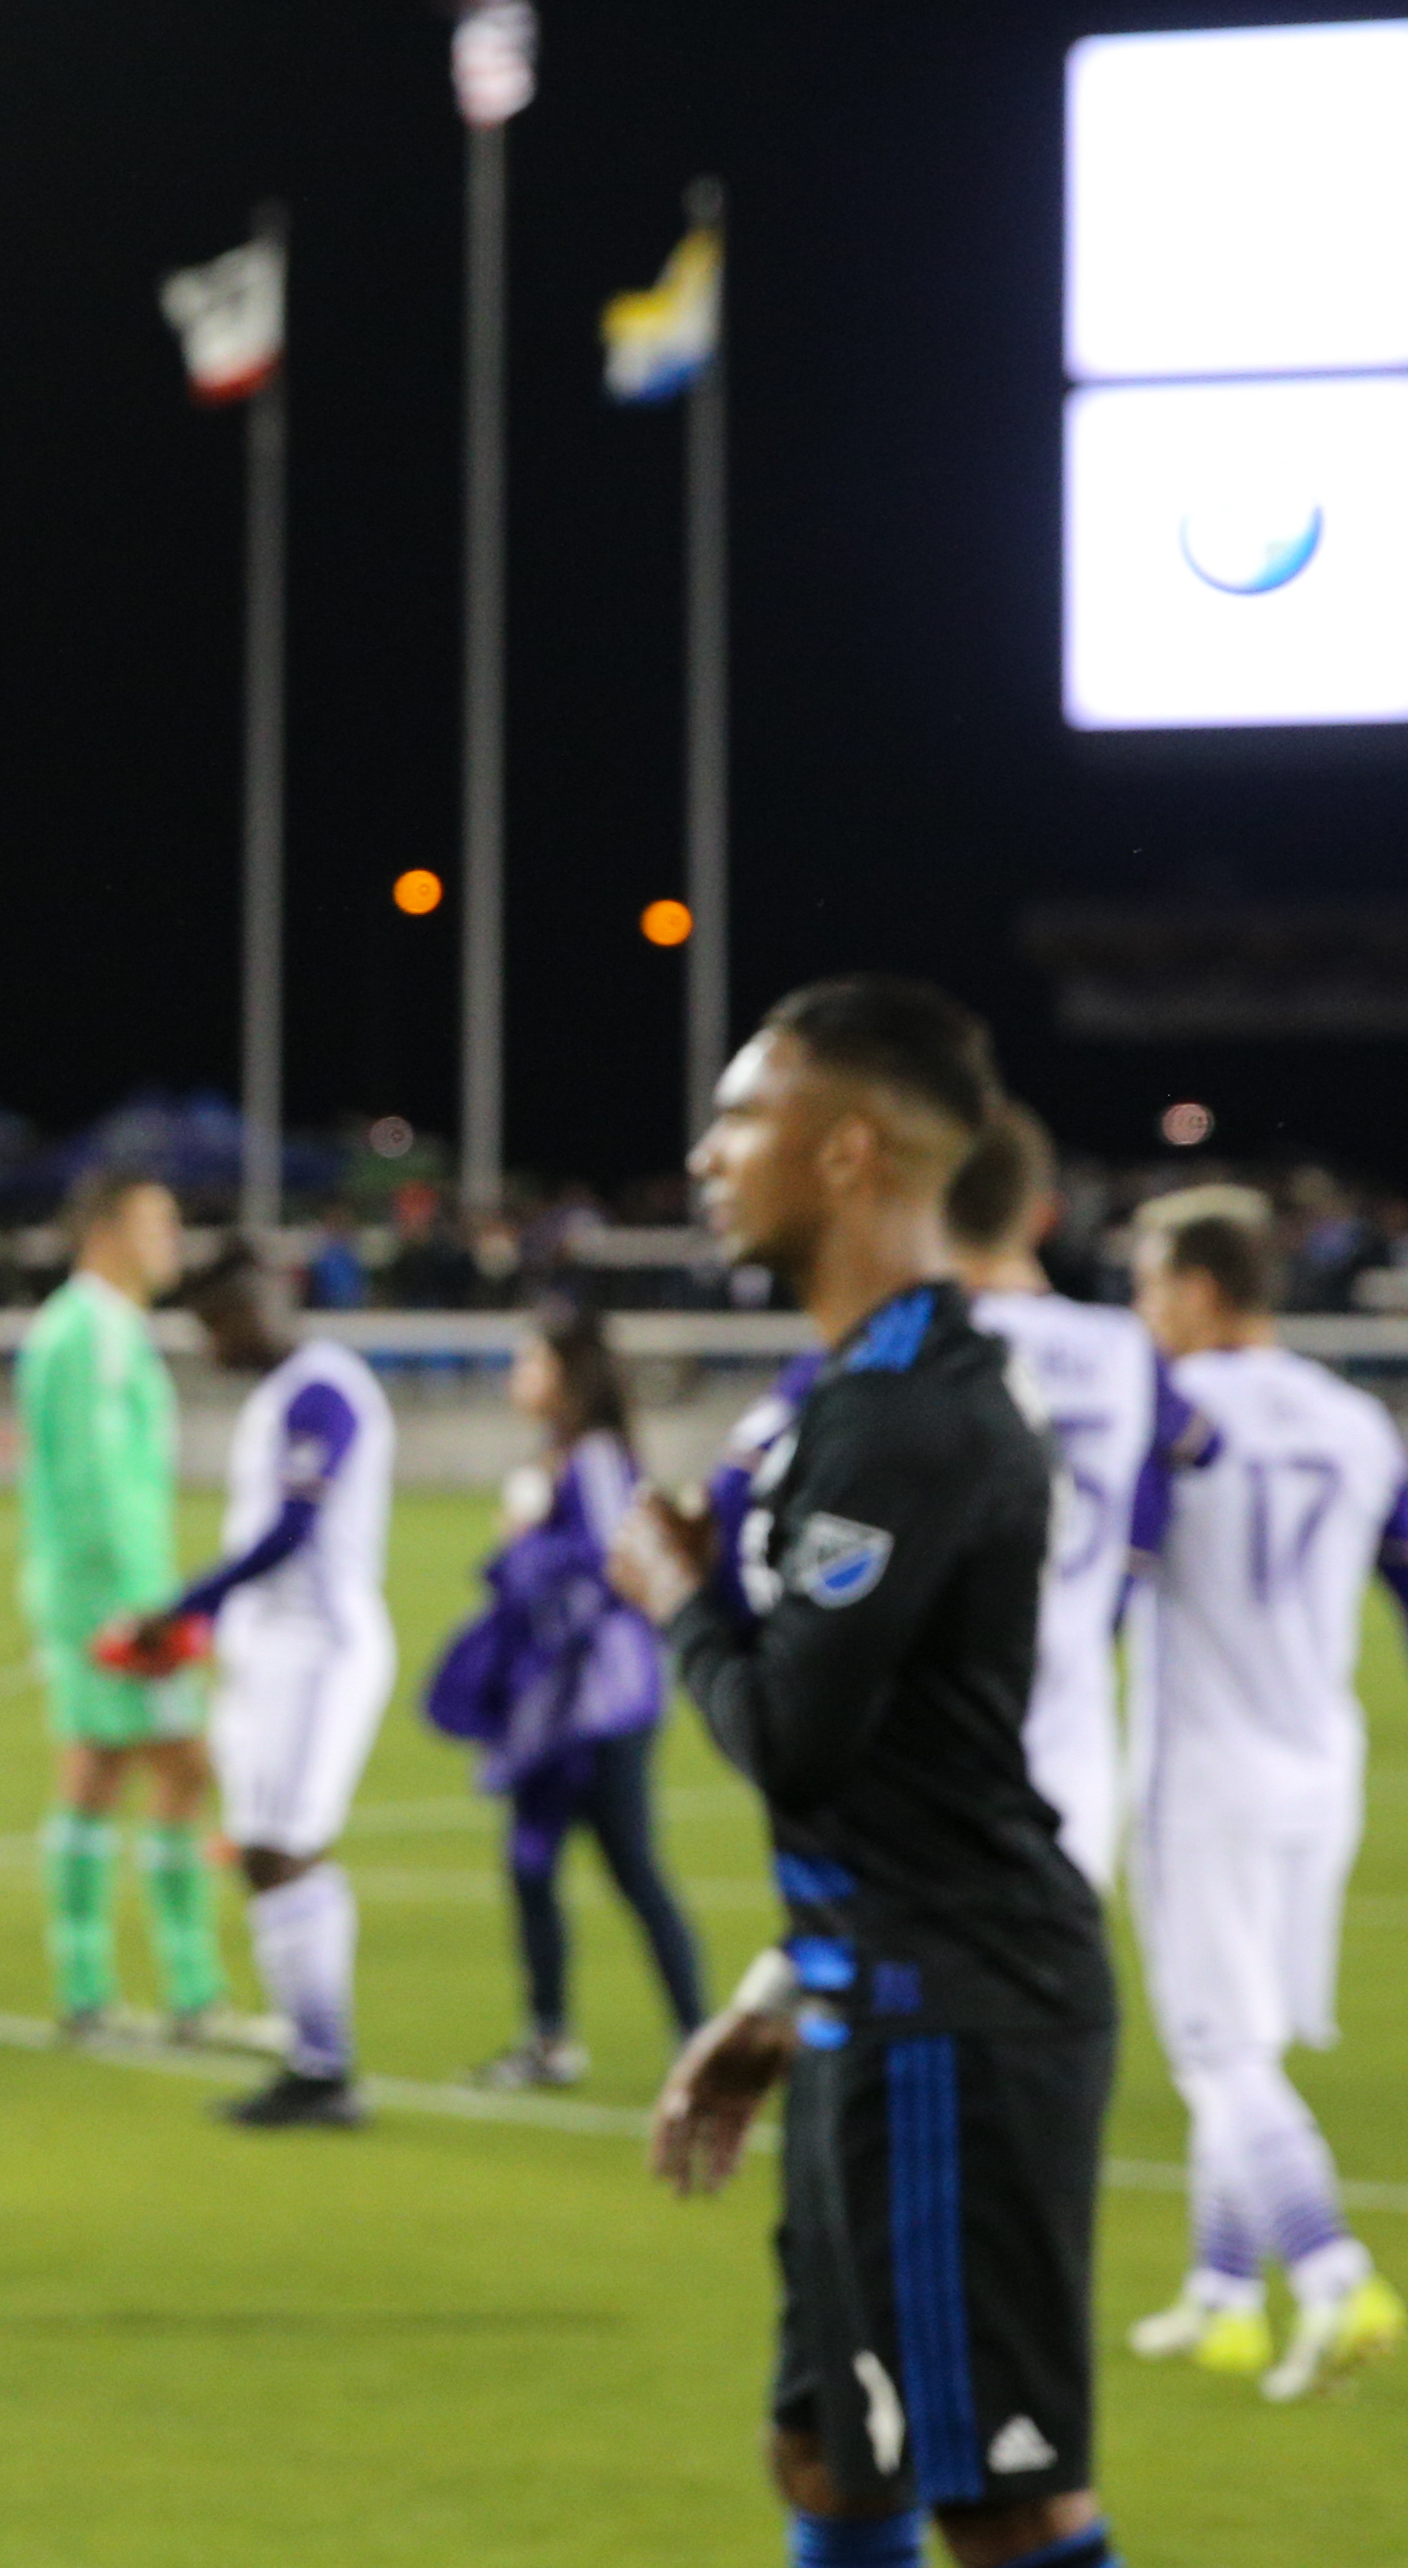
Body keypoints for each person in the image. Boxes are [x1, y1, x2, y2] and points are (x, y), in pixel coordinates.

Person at [619, 979, 1123, 2568]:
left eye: (737, 1116)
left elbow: (795, 1738)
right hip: (870, 1992)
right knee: (829, 2451)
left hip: (956, 2016)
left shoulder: (908, 1419)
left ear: (846, 1153)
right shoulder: (856, 1397)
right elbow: (878, 1766)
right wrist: (781, 1991)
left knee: (1002, 2500)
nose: (704, 1155)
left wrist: (676, 1599)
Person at [1114, 1186, 1408, 2399]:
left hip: (1206, 1774)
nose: (1139, 1308)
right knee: (1248, 2035)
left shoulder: (1164, 1414)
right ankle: (1223, 2292)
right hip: (1317, 1767)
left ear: (1193, 1287)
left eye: (1143, 1282)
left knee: (1214, 2047)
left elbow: (1108, 1573)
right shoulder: (1356, 1420)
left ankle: (1333, 2275)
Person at [97, 1242, 397, 2125]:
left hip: (319, 1651)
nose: (209, 1346)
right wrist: (202, 1630)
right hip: (272, 1652)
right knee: (266, 1844)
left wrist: (183, 1608)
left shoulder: (321, 1387)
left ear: (254, 1308)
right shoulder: (282, 1394)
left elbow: (292, 1532)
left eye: (213, 1325)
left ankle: (323, 2067)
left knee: (282, 1845)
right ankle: (315, 2058)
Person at [422, 1303, 706, 2090]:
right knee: (529, 1867)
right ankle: (548, 2040)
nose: (518, 1377)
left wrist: (522, 1551)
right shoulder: (558, 1458)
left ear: (568, 1373)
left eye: (530, 1361)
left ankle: (698, 2037)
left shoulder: (596, 1456)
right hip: (549, 1707)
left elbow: (618, 1563)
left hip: (604, 1704)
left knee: (634, 1870)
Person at [17, 1169, 236, 2046]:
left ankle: (88, 1990)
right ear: (105, 1231)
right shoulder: (94, 1333)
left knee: (96, 1771)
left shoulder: (83, 1328)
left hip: (81, 1586)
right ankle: (190, 1990)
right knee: (184, 1767)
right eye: (159, 1223)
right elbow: (100, 1483)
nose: (171, 1240)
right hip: (111, 1595)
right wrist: (147, 1608)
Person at [946, 1101, 1152, 1893]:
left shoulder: (899, 1344)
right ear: (1044, 1213)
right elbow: (1178, 1475)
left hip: (931, 1760)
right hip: (1071, 1749)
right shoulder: (1124, 1349)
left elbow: (737, 1491)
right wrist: (1112, 1599)